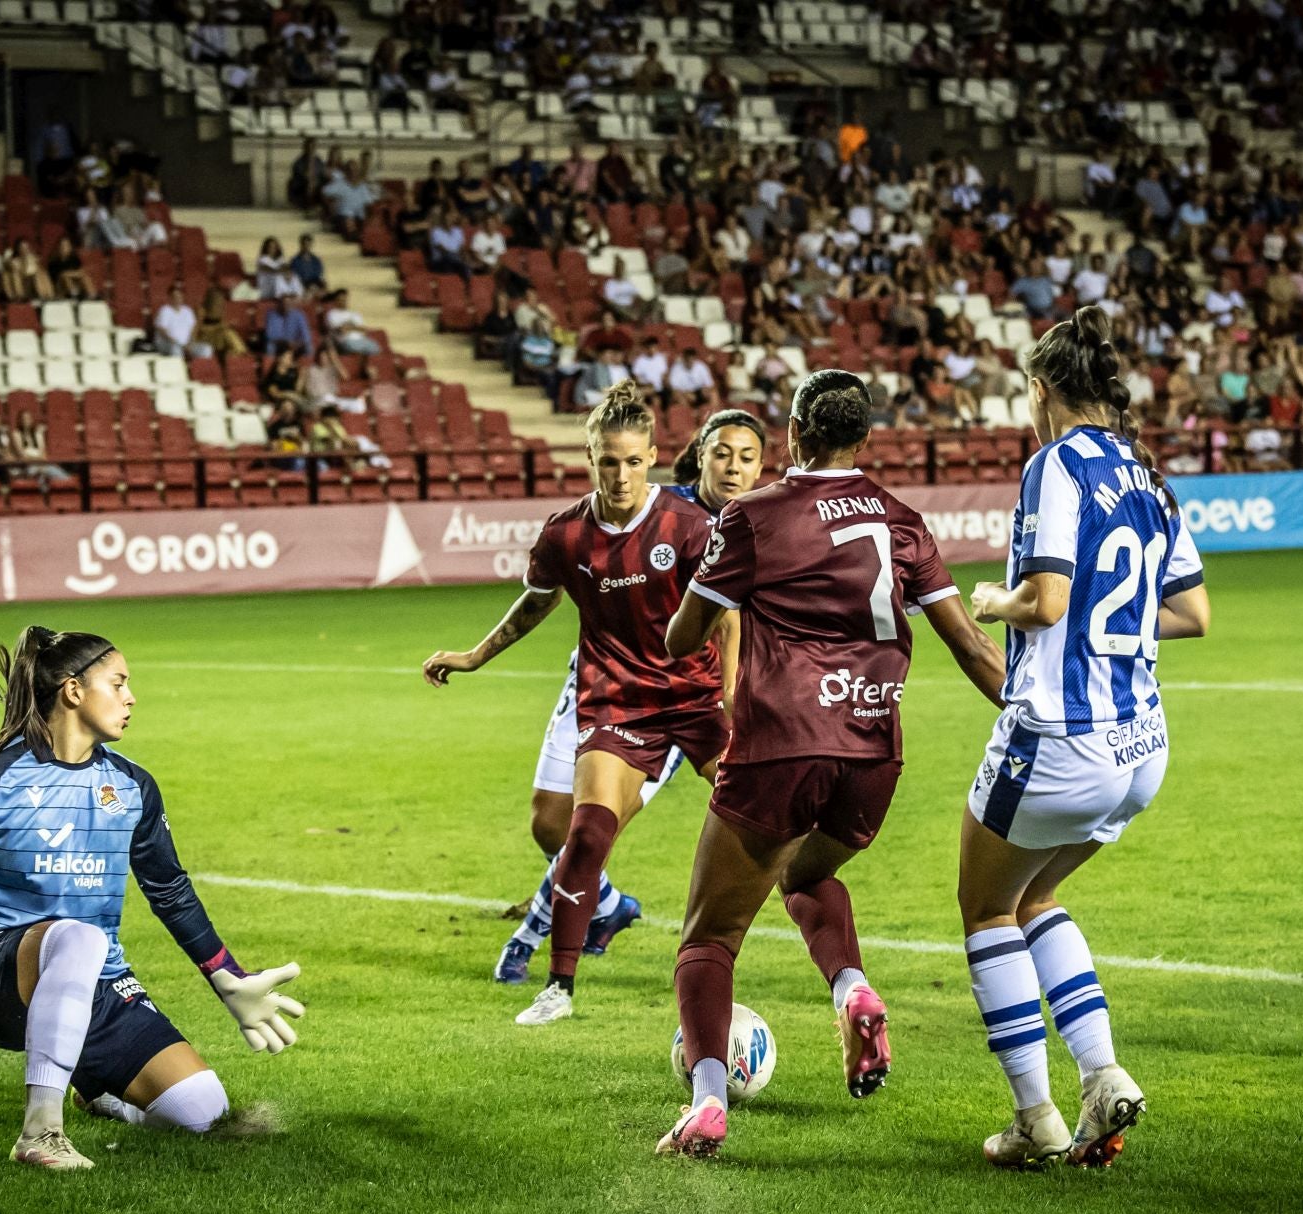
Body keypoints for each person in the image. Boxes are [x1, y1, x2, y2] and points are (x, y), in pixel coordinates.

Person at [655, 373, 1008, 1158]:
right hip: (875, 751)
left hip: (782, 745)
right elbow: (973, 646)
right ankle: (853, 991)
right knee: (808, 876)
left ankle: (707, 1102)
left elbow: (684, 637)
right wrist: (1036, 721)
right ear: (865, 440)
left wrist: (711, 583)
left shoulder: (753, 515)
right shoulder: (902, 520)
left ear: (791, 432)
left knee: (709, 937)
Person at [0, 627, 304, 1169]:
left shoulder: (133, 787)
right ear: (73, 690)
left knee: (200, 1109)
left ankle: (99, 1093)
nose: (131, 698)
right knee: (77, 936)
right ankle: (40, 1133)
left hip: (96, 976)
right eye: (119, 683)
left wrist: (229, 978)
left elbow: (170, 891)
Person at [959, 306, 1211, 1171]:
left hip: (1060, 738)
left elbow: (1047, 602)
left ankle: (1035, 1117)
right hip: (1142, 745)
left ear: (1041, 390)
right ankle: (1102, 1076)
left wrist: (991, 602)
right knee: (1036, 901)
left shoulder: (1053, 465)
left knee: (987, 908)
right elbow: (1194, 613)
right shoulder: (1146, 472)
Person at [423, 383, 733, 1025]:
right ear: (589, 458)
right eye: (606, 461)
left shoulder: (690, 527)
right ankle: (559, 987)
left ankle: (842, 978)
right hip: (615, 702)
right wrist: (477, 655)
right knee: (584, 832)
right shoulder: (565, 535)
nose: (619, 475)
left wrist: (733, 696)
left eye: (631, 460)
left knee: (768, 819)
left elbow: (729, 619)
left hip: (696, 701)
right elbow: (537, 600)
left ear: (651, 456)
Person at [488, 408, 771, 984]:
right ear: (698, 454)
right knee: (549, 823)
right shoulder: (667, 509)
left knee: (596, 825)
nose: (733, 468)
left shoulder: (763, 523)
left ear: (764, 465)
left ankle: (534, 935)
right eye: (722, 454)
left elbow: (736, 623)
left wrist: (733, 693)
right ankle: (609, 905)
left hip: (679, 695)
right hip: (598, 682)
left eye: (746, 458)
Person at [153, 284, 202, 358]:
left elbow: (193, 330)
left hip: (186, 344)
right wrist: (178, 344)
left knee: (206, 349)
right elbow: (162, 331)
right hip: (168, 344)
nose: (177, 299)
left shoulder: (188, 311)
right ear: (170, 298)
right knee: (176, 350)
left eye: (179, 296)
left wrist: (190, 343)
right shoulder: (164, 310)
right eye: (175, 297)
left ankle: (199, 369)